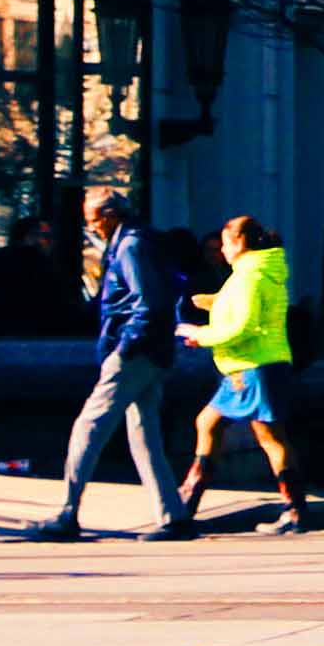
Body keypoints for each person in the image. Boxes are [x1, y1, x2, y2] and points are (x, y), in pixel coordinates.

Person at [19, 191, 197, 544]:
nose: (92, 227)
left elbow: (147, 303)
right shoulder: (139, 241)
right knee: (144, 434)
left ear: (111, 215)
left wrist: (124, 348)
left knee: (89, 426)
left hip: (135, 353)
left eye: (94, 219)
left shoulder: (130, 247)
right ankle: (172, 515)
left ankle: (68, 513)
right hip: (152, 352)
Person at [191, 213, 315, 530]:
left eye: (225, 244)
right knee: (214, 424)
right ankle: (294, 509)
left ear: (239, 242)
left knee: (268, 437)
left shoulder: (249, 276)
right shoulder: (262, 271)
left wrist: (200, 335)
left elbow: (242, 325)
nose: (222, 251)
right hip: (260, 364)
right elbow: (245, 308)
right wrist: (211, 303)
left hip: (252, 366)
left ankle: (189, 500)